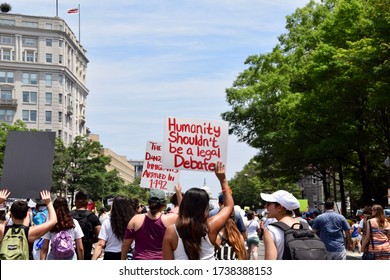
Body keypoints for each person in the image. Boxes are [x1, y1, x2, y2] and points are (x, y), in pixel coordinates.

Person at [162, 161, 234, 260]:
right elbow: (229, 206)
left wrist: (179, 195)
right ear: (206, 208)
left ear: (183, 207)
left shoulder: (171, 231)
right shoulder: (210, 226)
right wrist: (223, 180)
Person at [121, 186, 181, 260]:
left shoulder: (135, 219)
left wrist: (122, 259)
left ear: (148, 202)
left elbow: (125, 244)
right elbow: (186, 215)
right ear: (164, 204)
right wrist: (178, 194)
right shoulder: (170, 219)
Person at [0, 189, 57, 260]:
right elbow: (53, 221)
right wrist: (49, 202)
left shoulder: (2, 230)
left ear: (11, 215)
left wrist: (0, 201)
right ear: (27, 215)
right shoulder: (30, 232)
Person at [261, 190, 301, 260]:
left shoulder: (271, 230)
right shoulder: (306, 226)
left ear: (279, 207)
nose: (265, 206)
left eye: (268, 203)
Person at [70, 191, 101, 260]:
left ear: (75, 202)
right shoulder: (93, 217)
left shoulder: (68, 216)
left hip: (68, 252)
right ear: (87, 202)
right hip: (86, 252)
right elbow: (99, 236)